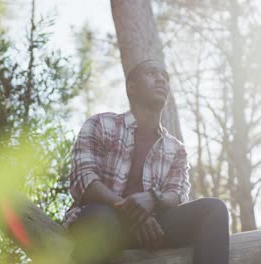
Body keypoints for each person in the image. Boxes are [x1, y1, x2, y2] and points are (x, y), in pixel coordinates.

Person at [64, 59, 229, 264]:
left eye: (165, 77)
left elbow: (177, 194)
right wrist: (133, 214)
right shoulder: (101, 124)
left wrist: (154, 198)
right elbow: (84, 181)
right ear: (131, 87)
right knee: (101, 218)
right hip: (104, 222)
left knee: (213, 210)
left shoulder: (176, 149)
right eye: (152, 73)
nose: (161, 79)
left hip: (152, 230)